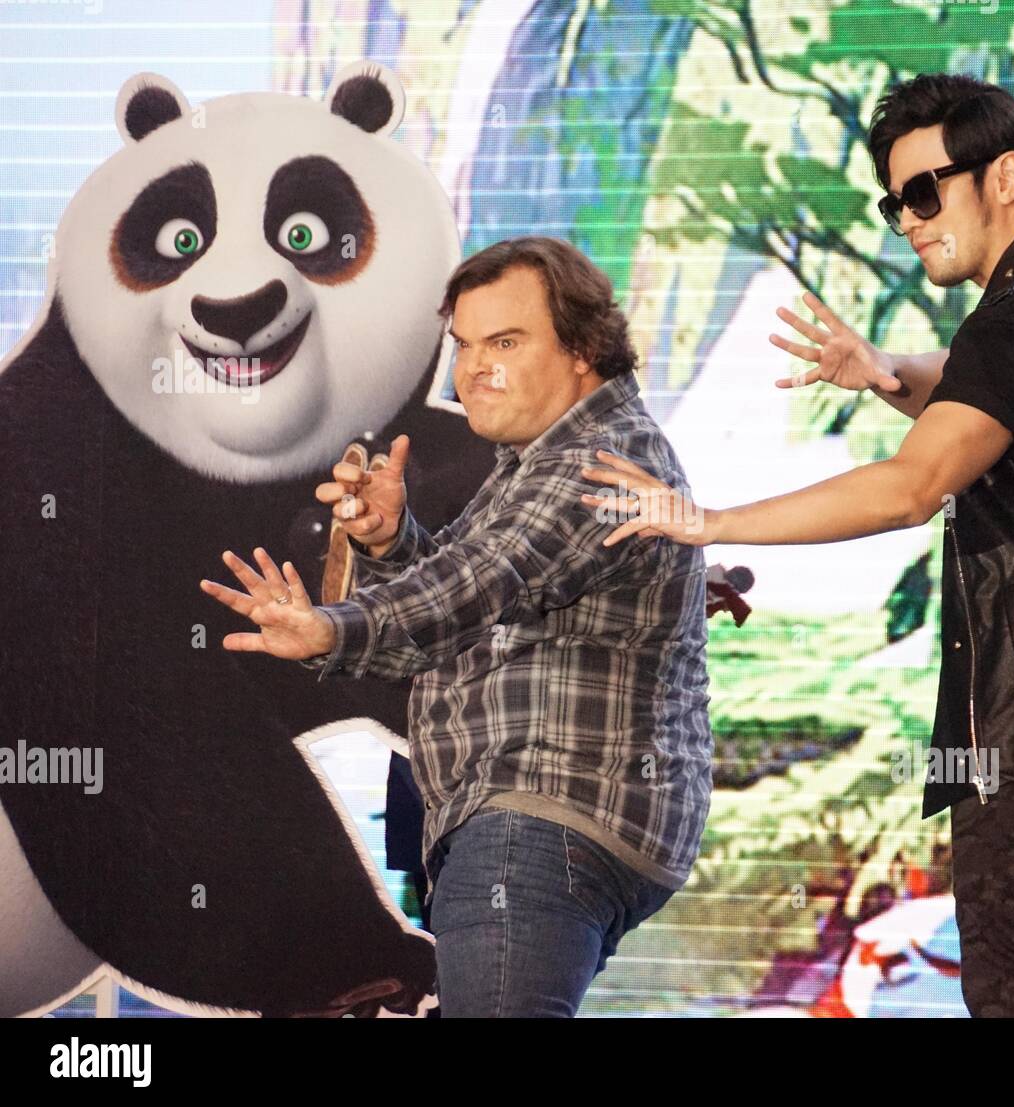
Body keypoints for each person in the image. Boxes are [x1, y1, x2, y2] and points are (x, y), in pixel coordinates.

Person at [582, 73, 1014, 1018]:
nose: (904, 218)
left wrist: (705, 521)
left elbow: (911, 489)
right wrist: (882, 372)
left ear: (1004, 175)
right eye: (892, 199)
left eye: (923, 191)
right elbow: (991, 390)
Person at [200, 236, 713, 1017]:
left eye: (504, 342)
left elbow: (479, 584)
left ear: (583, 348)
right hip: (538, 821)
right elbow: (476, 606)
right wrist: (388, 540)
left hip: (539, 817)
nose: (474, 368)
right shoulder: (541, 460)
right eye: (464, 345)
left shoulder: (597, 460)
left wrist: (332, 627)